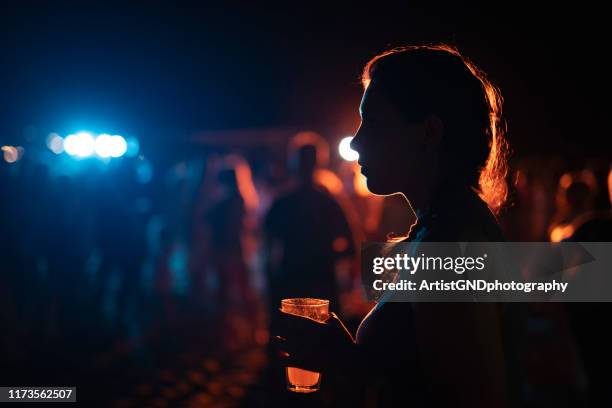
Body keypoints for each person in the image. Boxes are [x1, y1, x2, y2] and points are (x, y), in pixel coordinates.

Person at [276, 45, 522, 407]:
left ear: (428, 132)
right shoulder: (444, 227)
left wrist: (348, 362)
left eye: (373, 121)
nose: (357, 141)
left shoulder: (449, 240)